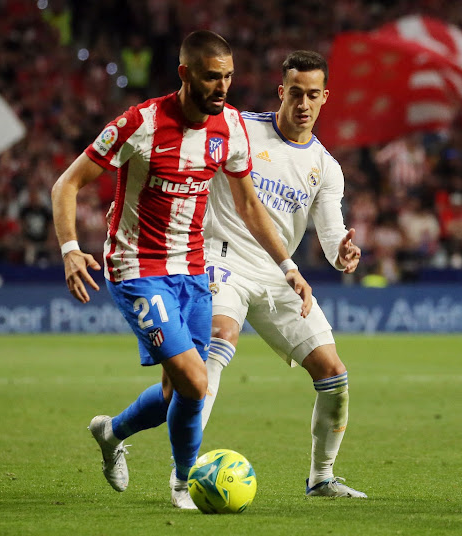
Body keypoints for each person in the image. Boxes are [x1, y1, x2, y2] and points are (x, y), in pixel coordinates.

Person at [50, 30, 312, 510]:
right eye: (212, 77)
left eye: (228, 77)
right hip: (136, 267)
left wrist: (288, 265)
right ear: (185, 74)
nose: (222, 87)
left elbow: (250, 205)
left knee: (178, 392)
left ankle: (112, 433)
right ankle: (185, 480)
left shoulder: (229, 127)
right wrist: (70, 248)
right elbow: (66, 184)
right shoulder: (140, 124)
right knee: (196, 380)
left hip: (194, 270)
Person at [199, 50, 366, 498]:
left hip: (278, 275)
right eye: (296, 93)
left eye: (313, 95)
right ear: (281, 92)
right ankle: (183, 473)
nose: (304, 104)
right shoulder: (242, 129)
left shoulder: (326, 168)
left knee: (334, 374)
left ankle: (321, 479)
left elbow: (332, 239)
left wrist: (343, 254)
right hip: (223, 258)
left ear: (325, 97)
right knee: (219, 341)